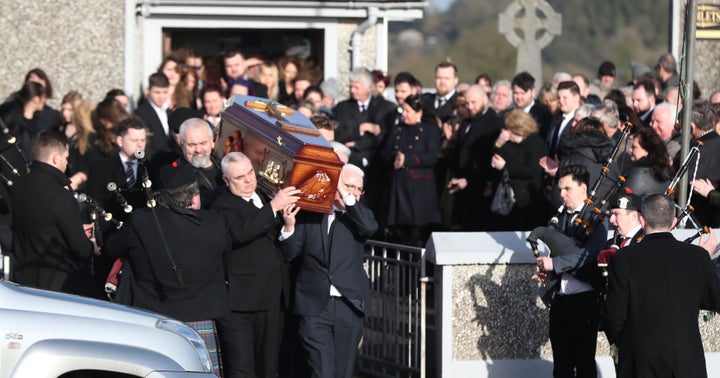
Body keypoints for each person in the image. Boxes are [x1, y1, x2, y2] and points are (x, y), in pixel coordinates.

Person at [104, 161, 230, 377]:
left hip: (154, 321)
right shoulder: (215, 223)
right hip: (200, 320)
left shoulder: (141, 221)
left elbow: (111, 248)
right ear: (194, 197)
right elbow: (225, 261)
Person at [602, 194, 720, 378]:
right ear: (673, 222)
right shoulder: (697, 257)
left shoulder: (624, 259)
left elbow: (614, 316)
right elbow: (713, 300)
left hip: (639, 359)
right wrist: (703, 262)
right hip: (685, 360)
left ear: (642, 220)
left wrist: (619, 343)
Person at [279, 163, 378, 378]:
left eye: (358, 189)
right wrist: (288, 227)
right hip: (314, 306)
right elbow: (290, 253)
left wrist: (344, 192)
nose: (354, 192)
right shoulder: (311, 214)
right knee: (322, 372)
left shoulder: (360, 218)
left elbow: (369, 228)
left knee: (342, 372)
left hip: (349, 306)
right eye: (349, 185)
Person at [211, 152, 300, 378]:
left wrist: (288, 226)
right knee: (242, 367)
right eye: (240, 177)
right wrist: (273, 207)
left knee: (269, 367)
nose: (249, 180)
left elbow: (282, 249)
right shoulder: (222, 204)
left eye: (250, 172)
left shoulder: (262, 194)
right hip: (239, 303)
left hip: (271, 298)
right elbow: (241, 233)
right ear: (226, 180)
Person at [530, 165, 607, 378]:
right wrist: (550, 273)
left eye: (567, 189)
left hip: (584, 301)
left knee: (584, 364)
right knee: (561, 365)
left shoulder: (597, 218)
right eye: (560, 189)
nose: (562, 195)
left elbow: (589, 254)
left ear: (583, 188)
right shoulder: (562, 217)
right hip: (561, 301)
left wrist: (554, 265)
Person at [10, 130, 100, 298]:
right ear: (56, 158)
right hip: (58, 286)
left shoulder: (19, 185)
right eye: (66, 157)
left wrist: (76, 227)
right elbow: (80, 249)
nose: (67, 163)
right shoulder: (60, 195)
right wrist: (91, 246)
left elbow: (41, 225)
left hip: (23, 278)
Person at [379, 94, 441, 245]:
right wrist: (395, 158)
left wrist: (408, 159)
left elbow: (432, 156)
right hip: (398, 186)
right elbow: (384, 152)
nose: (404, 114)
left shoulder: (430, 130)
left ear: (419, 112)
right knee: (398, 233)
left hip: (418, 189)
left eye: (407, 111)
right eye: (403, 110)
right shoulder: (398, 129)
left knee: (416, 233)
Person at [446, 84, 502, 230]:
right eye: (467, 103)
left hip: (481, 190)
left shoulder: (494, 123)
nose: (470, 107)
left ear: (484, 99)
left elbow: (489, 158)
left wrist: (470, 179)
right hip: (462, 190)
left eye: (474, 102)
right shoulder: (467, 122)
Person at [490, 109, 549, 230]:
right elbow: (497, 157)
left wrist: (505, 167)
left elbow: (533, 170)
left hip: (525, 201)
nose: (504, 131)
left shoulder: (535, 143)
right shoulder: (509, 143)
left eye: (508, 129)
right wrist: (498, 143)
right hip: (506, 198)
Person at [161, 117, 223, 209]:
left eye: (203, 143)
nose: (198, 150)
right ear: (182, 145)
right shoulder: (176, 175)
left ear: (212, 141)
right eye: (191, 145)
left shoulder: (223, 165)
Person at [624, 126, 672, 198]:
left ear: (646, 151)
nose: (630, 150)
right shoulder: (665, 171)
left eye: (634, 147)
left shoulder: (639, 174)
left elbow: (624, 200)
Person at [135, 73, 172, 161]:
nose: (161, 97)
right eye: (157, 92)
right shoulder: (141, 113)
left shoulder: (169, 112)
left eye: (165, 92)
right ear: (148, 90)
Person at [511, 71, 553, 139]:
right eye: (516, 93)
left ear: (533, 92)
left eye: (523, 93)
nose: (519, 97)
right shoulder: (507, 114)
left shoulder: (544, 116)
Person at [421, 58, 459, 123]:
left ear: (455, 80)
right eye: (439, 78)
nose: (442, 82)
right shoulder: (424, 100)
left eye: (446, 78)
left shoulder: (459, 103)